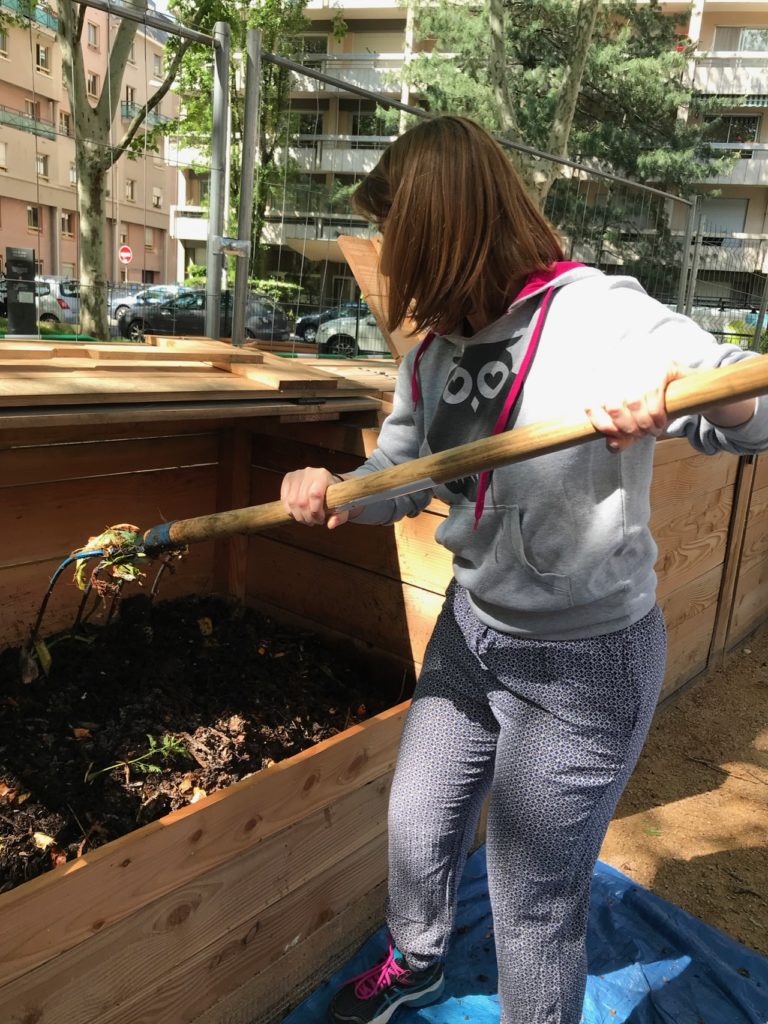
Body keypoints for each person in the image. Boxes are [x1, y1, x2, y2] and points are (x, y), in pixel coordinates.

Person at [280, 116, 768, 1024]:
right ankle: (418, 963)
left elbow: (750, 404)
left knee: (531, 899)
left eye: (395, 233)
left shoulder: (601, 315)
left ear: (443, 229)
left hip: (586, 664)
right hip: (473, 636)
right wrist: (336, 488)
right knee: (417, 824)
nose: (387, 255)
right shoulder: (430, 354)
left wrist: (680, 393)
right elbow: (395, 477)